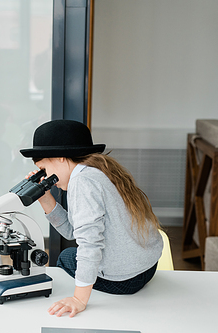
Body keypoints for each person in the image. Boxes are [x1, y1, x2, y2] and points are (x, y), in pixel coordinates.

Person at [19, 120, 163, 318]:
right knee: (72, 254)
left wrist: (78, 299)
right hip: (147, 266)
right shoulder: (100, 170)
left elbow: (88, 244)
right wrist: (45, 198)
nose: (45, 176)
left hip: (126, 279)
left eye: (44, 168)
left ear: (60, 158)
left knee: (66, 258)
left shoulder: (82, 182)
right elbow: (73, 230)